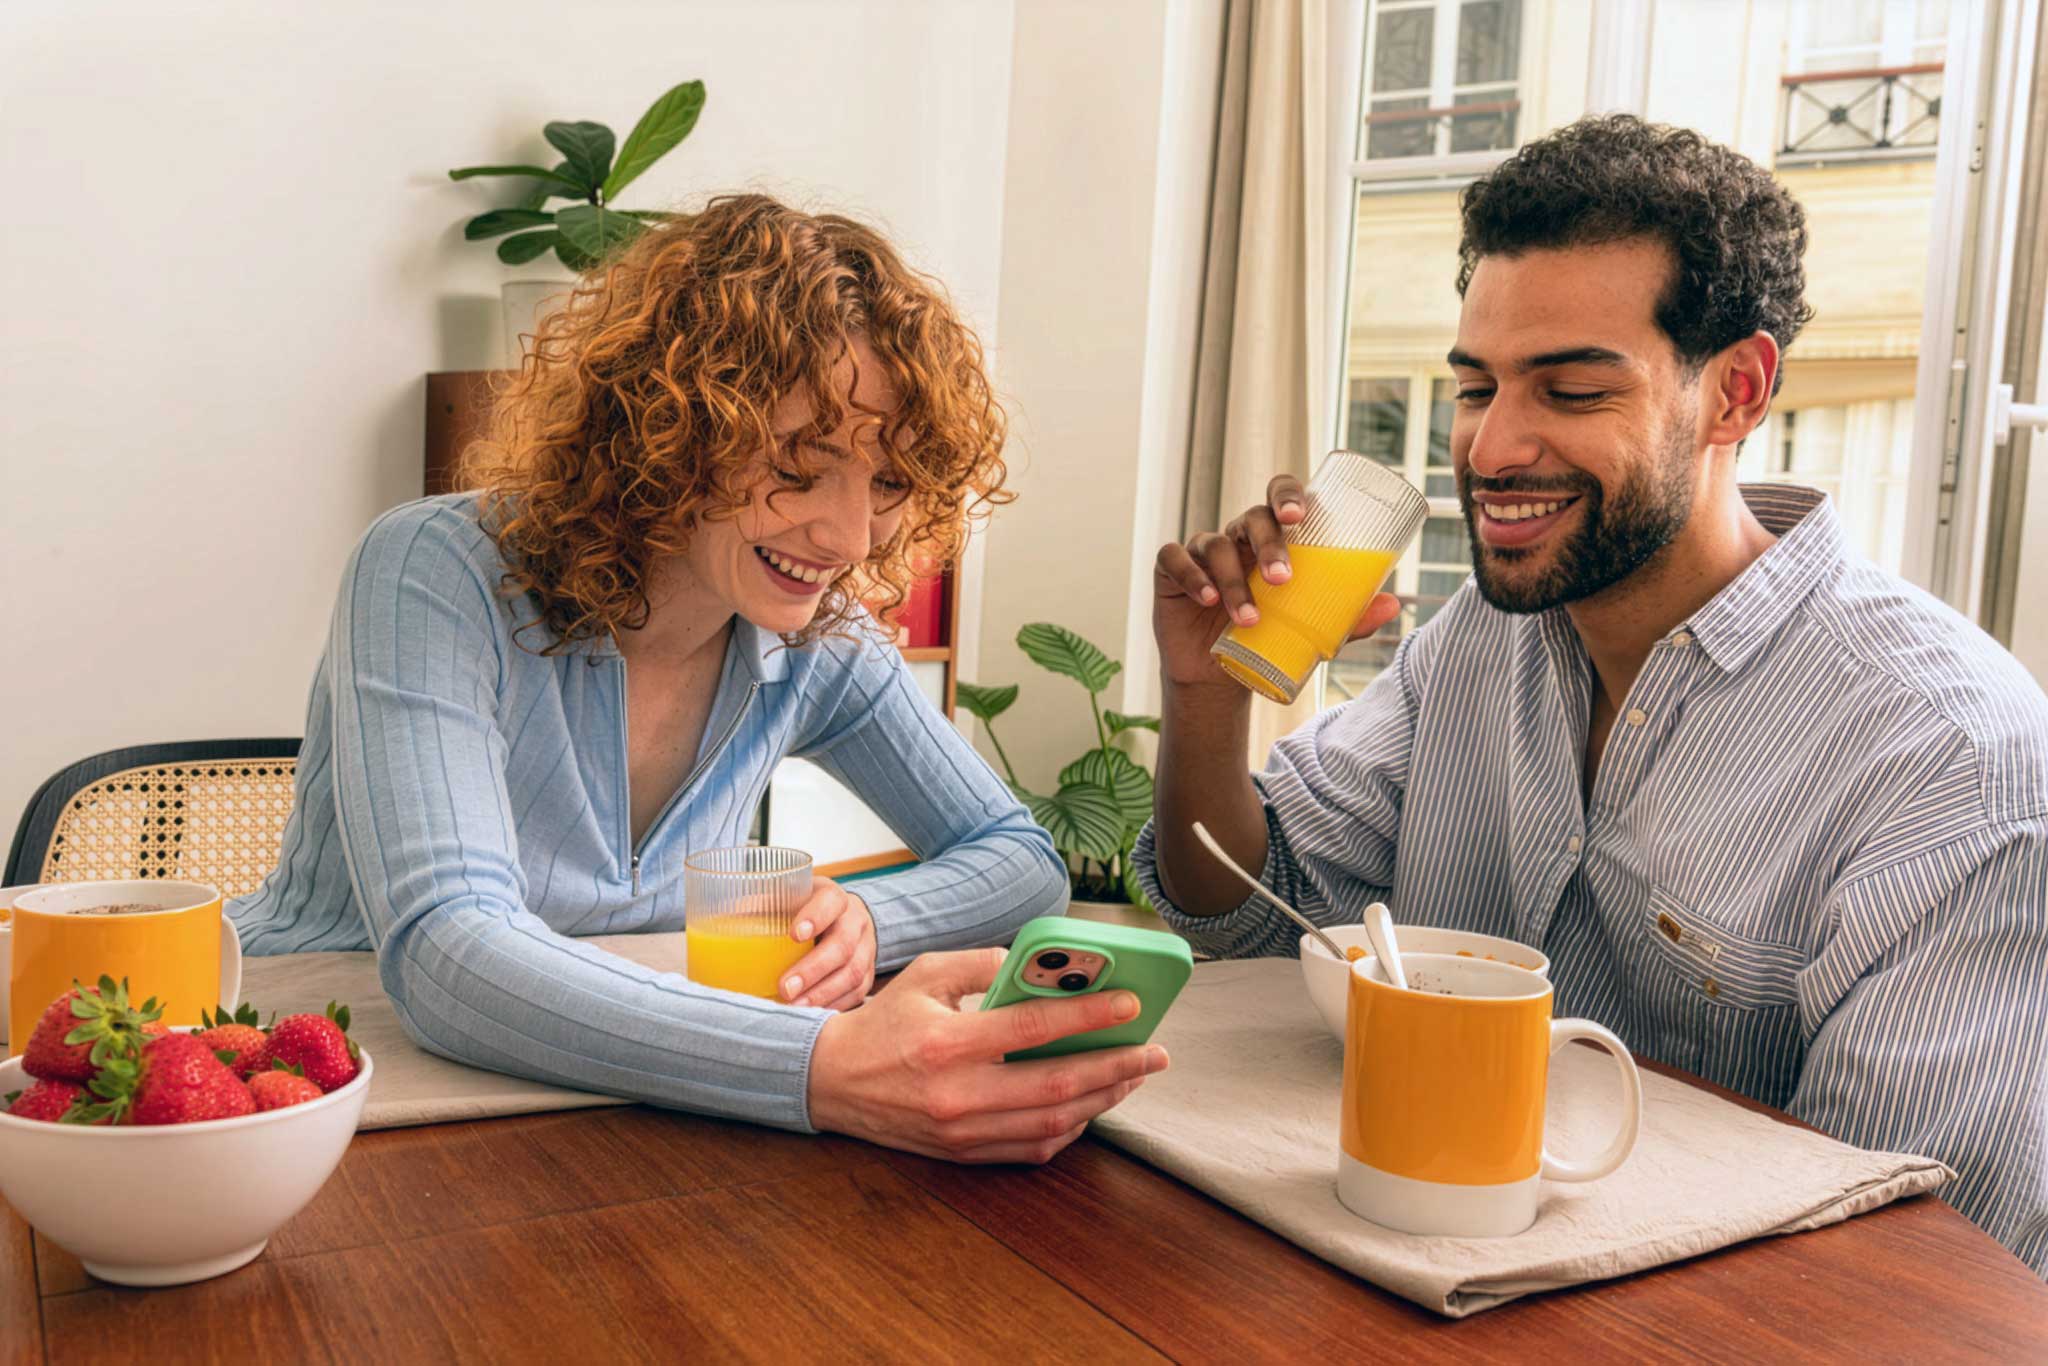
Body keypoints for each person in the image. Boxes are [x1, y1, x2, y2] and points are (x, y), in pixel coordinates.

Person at [1137, 116, 2048, 1272]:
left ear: (1734, 392)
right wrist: (1204, 697)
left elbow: (1900, 1247)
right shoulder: (1480, 640)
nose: (1491, 447)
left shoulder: (1951, 756)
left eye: (1567, 391)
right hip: (1424, 1275)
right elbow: (1242, 913)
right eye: (1476, 387)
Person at [233, 194, 1167, 1162]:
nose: (849, 538)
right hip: (309, 1067)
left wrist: (858, 918)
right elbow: (446, 954)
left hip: (635, 1077)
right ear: (665, 434)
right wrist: (824, 1066)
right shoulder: (438, 565)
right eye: (798, 469)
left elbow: (1017, 860)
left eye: (887, 483)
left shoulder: (819, 636)